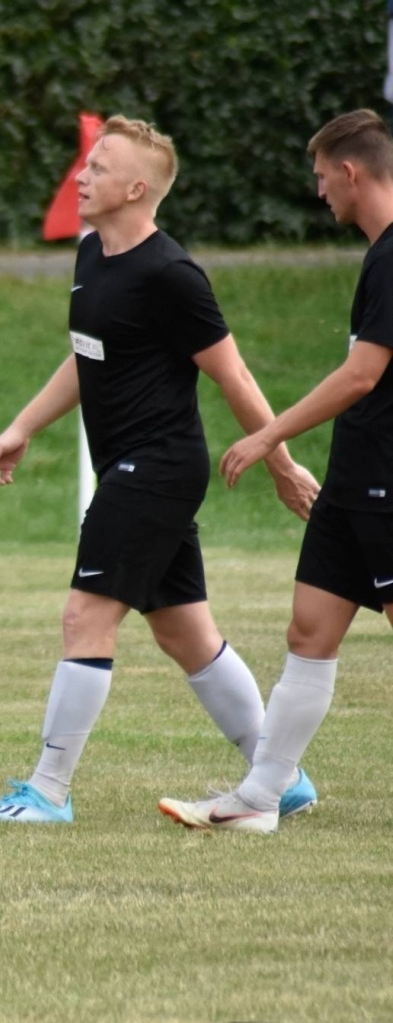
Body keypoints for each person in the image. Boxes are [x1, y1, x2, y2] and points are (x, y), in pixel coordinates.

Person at [0, 116, 320, 825]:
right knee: (184, 632)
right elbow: (87, 353)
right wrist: (22, 426)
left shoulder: (171, 274)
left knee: (84, 618)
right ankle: (282, 775)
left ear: (134, 188)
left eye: (97, 168)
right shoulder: (93, 253)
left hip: (153, 469)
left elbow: (234, 373)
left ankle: (48, 791)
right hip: (133, 466)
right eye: (84, 165)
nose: (80, 176)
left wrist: (280, 460)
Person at [160, 109, 393, 833]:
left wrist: (269, 435)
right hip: (354, 479)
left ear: (351, 173)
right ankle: (259, 799)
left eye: (323, 178)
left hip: (388, 481)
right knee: (307, 631)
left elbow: (361, 374)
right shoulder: (377, 254)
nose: (320, 192)